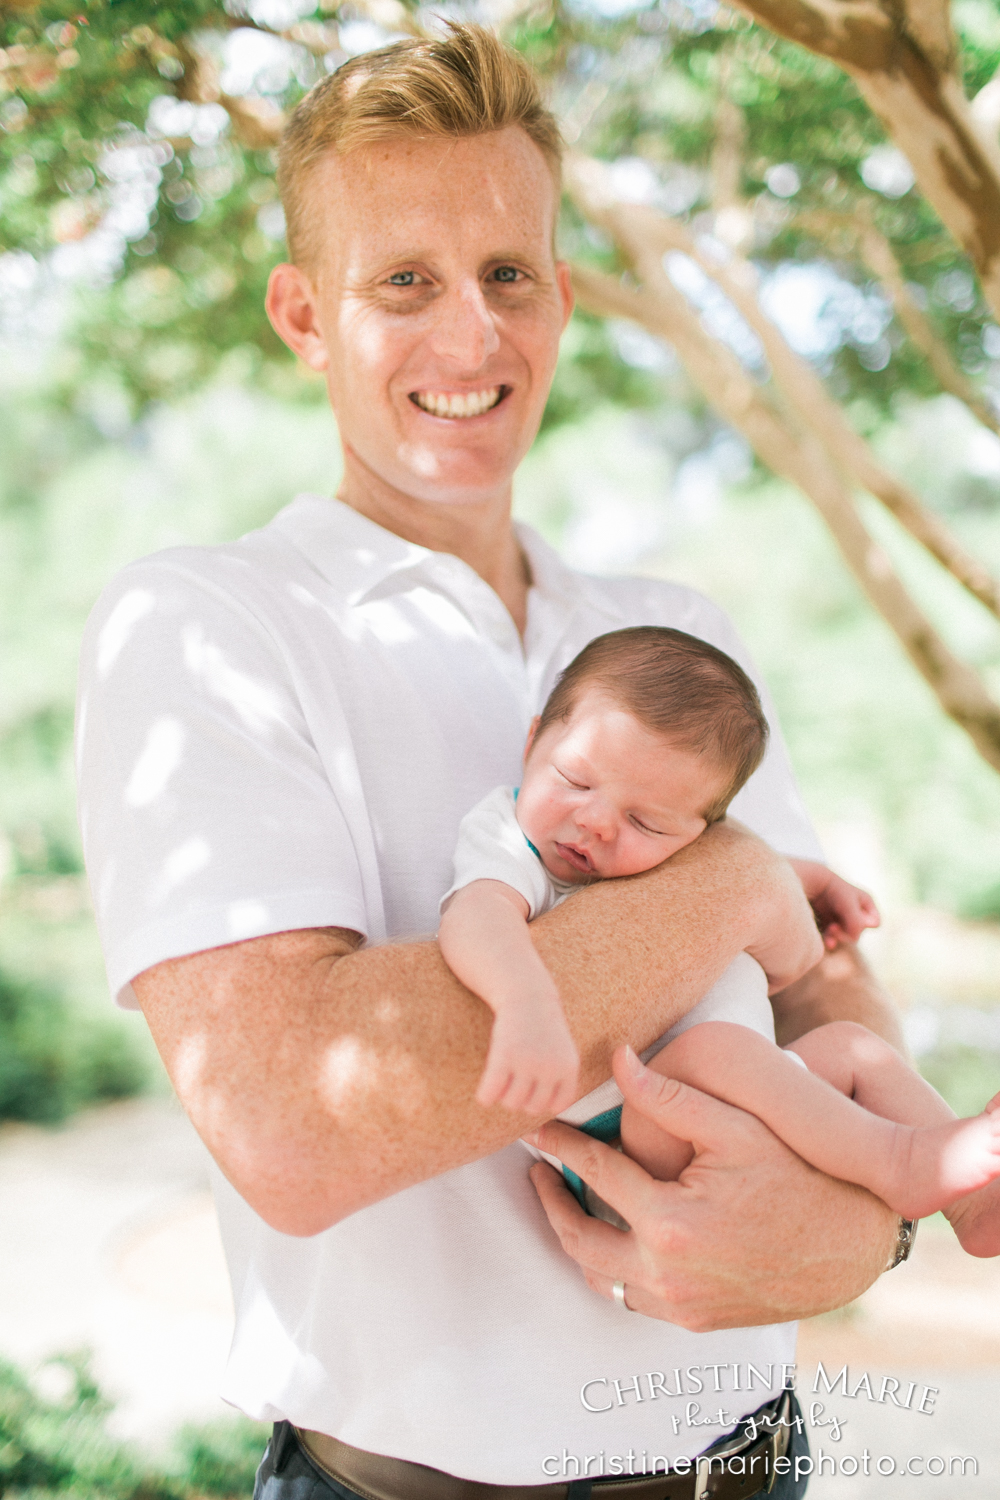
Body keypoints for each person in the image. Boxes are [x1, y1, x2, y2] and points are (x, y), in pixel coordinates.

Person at [74, 24, 920, 1500]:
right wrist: (716, 880)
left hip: (757, 1465)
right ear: (303, 317)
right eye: (402, 281)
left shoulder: (675, 632)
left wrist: (868, 1228)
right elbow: (293, 1122)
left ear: (563, 296)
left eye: (508, 275)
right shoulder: (207, 623)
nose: (472, 339)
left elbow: (820, 986)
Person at [441, 627, 1000, 1258]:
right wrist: (524, 1003)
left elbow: (743, 872)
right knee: (710, 1050)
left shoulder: (679, 845)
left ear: (702, 829)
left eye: (644, 821)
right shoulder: (508, 839)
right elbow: (476, 915)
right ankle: (900, 1162)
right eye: (574, 779)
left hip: (739, 1096)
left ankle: (974, 1202)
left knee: (855, 1050)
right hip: (630, 1134)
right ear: (532, 741)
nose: (596, 820)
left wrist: (812, 884)